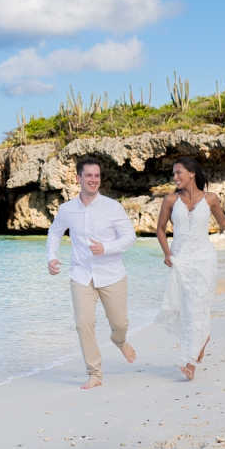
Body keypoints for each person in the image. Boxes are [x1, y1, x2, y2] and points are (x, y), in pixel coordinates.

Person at [154, 157, 225, 381]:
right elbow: (160, 229)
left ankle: (190, 363)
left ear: (192, 173)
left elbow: (224, 222)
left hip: (205, 259)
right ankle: (201, 339)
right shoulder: (170, 200)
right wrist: (167, 253)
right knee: (187, 309)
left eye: (178, 173)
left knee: (197, 307)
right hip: (181, 260)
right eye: (173, 174)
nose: (175, 178)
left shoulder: (210, 198)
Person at [47, 157, 138, 389]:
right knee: (83, 323)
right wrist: (52, 257)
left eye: (97, 175)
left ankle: (119, 341)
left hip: (112, 274)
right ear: (78, 178)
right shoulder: (67, 209)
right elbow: (55, 232)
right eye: (89, 175)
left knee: (120, 323)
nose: (93, 180)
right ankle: (95, 373)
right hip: (80, 275)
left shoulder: (112, 207)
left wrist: (105, 248)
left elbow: (130, 237)